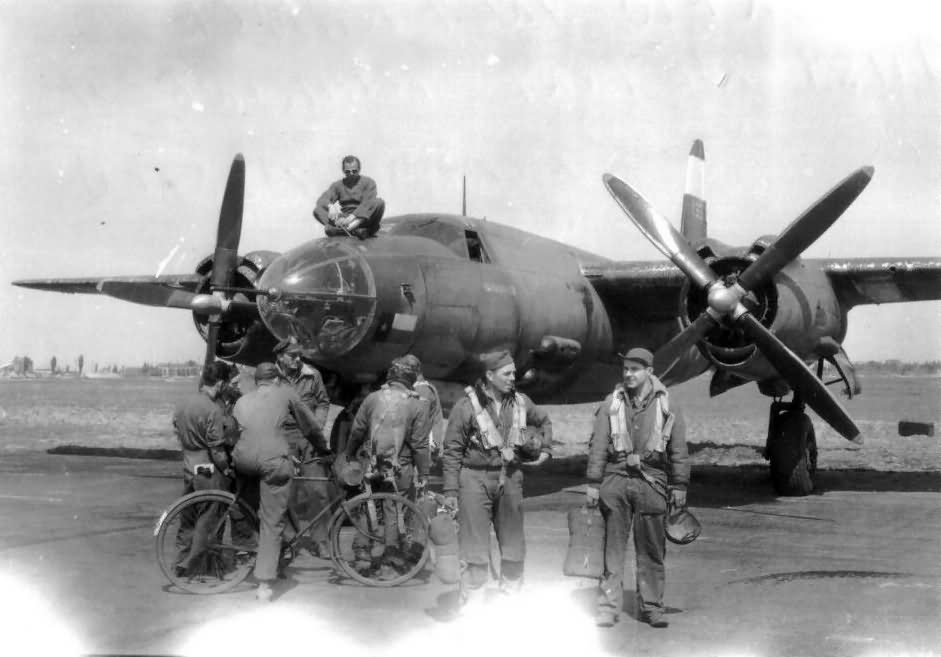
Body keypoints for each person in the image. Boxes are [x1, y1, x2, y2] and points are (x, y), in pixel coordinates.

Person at [585, 347, 690, 629]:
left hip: (652, 481)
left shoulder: (668, 404)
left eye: (636, 369)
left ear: (649, 372)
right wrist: (594, 483)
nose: (629, 375)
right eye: (626, 370)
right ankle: (607, 608)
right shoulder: (612, 403)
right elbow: (597, 446)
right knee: (612, 550)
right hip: (615, 479)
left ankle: (652, 607)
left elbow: (678, 449)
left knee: (652, 551)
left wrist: (679, 484)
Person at [441, 350, 552, 606]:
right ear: (490, 376)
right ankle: (472, 607)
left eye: (514, 372)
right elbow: (452, 451)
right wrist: (450, 493)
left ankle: (509, 603)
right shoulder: (466, 406)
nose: (514, 377)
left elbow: (544, 421)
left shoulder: (522, 402)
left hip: (511, 478)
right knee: (474, 548)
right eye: (507, 373)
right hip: (474, 479)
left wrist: (545, 449)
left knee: (514, 546)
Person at [231, 362, 329, 602]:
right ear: (276, 380)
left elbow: (232, 432)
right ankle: (264, 583)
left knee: (253, 507)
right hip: (273, 460)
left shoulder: (242, 400)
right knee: (273, 519)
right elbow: (311, 427)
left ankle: (261, 551)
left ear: (257, 381)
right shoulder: (286, 393)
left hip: (242, 460)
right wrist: (323, 449)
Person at [344, 355, 431, 570]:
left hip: (372, 463)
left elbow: (357, 430)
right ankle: (391, 555)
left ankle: (362, 552)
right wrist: (424, 472)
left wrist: (350, 454)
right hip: (400, 467)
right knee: (394, 508)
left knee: (367, 503)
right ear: (411, 378)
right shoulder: (417, 405)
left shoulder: (373, 398)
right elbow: (420, 445)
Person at [273, 337, 333, 557]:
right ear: (280, 357)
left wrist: (317, 425)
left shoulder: (312, 375)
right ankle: (288, 539)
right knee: (283, 491)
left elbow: (323, 401)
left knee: (318, 490)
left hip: (308, 437)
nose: (298, 359)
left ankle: (322, 540)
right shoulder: (271, 378)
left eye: (299, 355)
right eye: (292, 355)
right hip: (282, 437)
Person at [172, 361, 233, 495]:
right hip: (207, 472)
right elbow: (217, 451)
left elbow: (177, 431)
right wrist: (227, 469)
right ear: (221, 384)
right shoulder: (213, 409)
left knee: (190, 511)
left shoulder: (182, 404)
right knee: (211, 512)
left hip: (188, 467)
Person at [312, 155, 385, 239]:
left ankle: (346, 229)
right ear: (343, 170)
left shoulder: (368, 182)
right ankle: (350, 230)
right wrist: (330, 206)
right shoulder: (337, 185)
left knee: (379, 202)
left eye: (354, 171)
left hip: (362, 219)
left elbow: (368, 203)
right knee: (317, 210)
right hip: (345, 219)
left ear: (359, 169)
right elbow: (322, 200)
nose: (351, 174)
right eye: (347, 172)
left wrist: (352, 218)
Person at [414, 373, 445, 461]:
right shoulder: (430, 389)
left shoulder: (421, 389)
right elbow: (437, 417)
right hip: (424, 448)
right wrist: (436, 442)